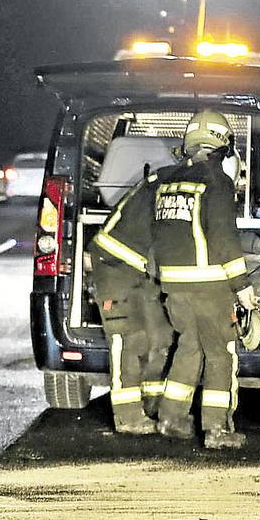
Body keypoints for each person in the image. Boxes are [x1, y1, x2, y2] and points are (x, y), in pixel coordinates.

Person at [151, 109, 256, 449]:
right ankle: (217, 429)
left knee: (189, 348)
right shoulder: (216, 181)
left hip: (175, 288)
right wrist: (243, 287)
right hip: (209, 287)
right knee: (221, 354)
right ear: (223, 144)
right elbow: (224, 238)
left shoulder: (168, 181)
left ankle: (171, 417)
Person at [90, 164, 175, 433]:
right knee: (128, 339)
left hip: (140, 267)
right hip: (115, 265)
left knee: (160, 336)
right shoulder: (172, 188)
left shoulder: (171, 180)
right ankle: (127, 416)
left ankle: (152, 407)